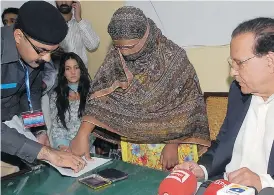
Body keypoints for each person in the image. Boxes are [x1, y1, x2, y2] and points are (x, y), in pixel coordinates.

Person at [70, 6, 210, 170]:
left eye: (129, 47)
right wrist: (83, 133)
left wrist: (173, 144)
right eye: (119, 47)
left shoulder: (174, 58)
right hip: (135, 147)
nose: (124, 53)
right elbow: (101, 96)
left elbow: (189, 104)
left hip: (173, 145)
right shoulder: (117, 55)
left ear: (145, 37)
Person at [174, 17, 274, 191]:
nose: (232, 72)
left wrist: (264, 183)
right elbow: (223, 144)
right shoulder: (239, 92)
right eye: (231, 63)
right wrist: (203, 169)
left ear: (270, 61)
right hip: (221, 189)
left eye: (239, 63)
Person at [1, 1, 86, 173]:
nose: (47, 59)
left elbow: (29, 91)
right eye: (42, 50)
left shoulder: (31, 55)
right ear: (18, 36)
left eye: (51, 52)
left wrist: (39, 130)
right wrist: (46, 153)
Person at [50, 52, 92, 150]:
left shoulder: (92, 92)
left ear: (81, 70)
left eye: (76, 67)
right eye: (68, 69)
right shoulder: (56, 95)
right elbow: (56, 127)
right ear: (63, 72)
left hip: (89, 147)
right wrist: (64, 147)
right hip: (65, 148)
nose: (73, 72)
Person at [55, 0, 100, 68]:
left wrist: (79, 19)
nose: (64, 2)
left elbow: (93, 45)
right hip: (59, 76)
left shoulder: (82, 24)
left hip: (81, 75)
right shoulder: (50, 24)